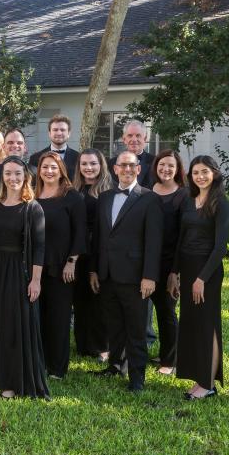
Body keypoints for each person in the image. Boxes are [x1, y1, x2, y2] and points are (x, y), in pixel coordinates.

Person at [90, 151, 162, 393]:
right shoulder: (105, 197)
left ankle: (137, 377)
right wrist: (94, 271)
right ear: (115, 168)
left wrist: (149, 276)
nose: (128, 169)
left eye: (132, 165)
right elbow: (99, 237)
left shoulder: (150, 199)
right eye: (123, 165)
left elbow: (154, 241)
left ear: (139, 169)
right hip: (107, 274)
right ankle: (115, 365)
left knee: (136, 328)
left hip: (135, 276)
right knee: (114, 325)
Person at [0, 156, 50, 400]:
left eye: (17, 174)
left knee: (14, 324)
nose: (12, 178)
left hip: (19, 272)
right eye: (8, 173)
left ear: (26, 177)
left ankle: (13, 380)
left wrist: (36, 279)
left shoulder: (33, 208)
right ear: (2, 177)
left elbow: (39, 248)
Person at [169, 156, 229, 400]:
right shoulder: (188, 200)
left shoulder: (221, 203)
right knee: (192, 325)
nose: (200, 176)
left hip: (208, 271)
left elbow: (220, 247)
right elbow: (180, 240)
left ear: (214, 173)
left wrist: (201, 278)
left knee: (208, 324)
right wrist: (174, 273)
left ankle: (209, 384)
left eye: (205, 171)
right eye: (195, 172)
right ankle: (199, 378)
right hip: (187, 266)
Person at [34, 151, 86, 379]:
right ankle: (40, 363)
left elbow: (80, 232)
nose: (48, 171)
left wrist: (72, 262)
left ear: (61, 170)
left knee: (59, 318)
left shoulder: (71, 196)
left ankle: (57, 368)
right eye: (45, 167)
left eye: (53, 167)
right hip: (35, 266)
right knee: (39, 317)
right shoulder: (32, 195)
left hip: (61, 266)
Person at [72, 148, 112, 363]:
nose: (89, 168)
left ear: (101, 165)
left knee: (99, 299)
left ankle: (101, 346)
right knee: (80, 300)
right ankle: (83, 344)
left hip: (100, 250)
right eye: (84, 164)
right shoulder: (73, 190)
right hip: (78, 252)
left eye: (93, 164)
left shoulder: (108, 192)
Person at [150, 149, 188, 375]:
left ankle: (169, 360)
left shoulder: (183, 195)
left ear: (177, 170)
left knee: (166, 311)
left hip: (168, 263)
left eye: (170, 166)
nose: (165, 169)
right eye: (162, 165)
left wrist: (176, 271)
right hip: (145, 261)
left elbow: (183, 236)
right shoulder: (147, 190)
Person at [30, 115, 79, 181]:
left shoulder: (78, 158)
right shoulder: (35, 158)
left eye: (62, 130)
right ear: (49, 133)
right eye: (55, 130)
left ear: (68, 134)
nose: (59, 133)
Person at [109, 120, 154, 188]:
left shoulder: (155, 162)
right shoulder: (112, 163)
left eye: (138, 135)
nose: (134, 139)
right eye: (130, 135)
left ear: (145, 139)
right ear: (124, 139)